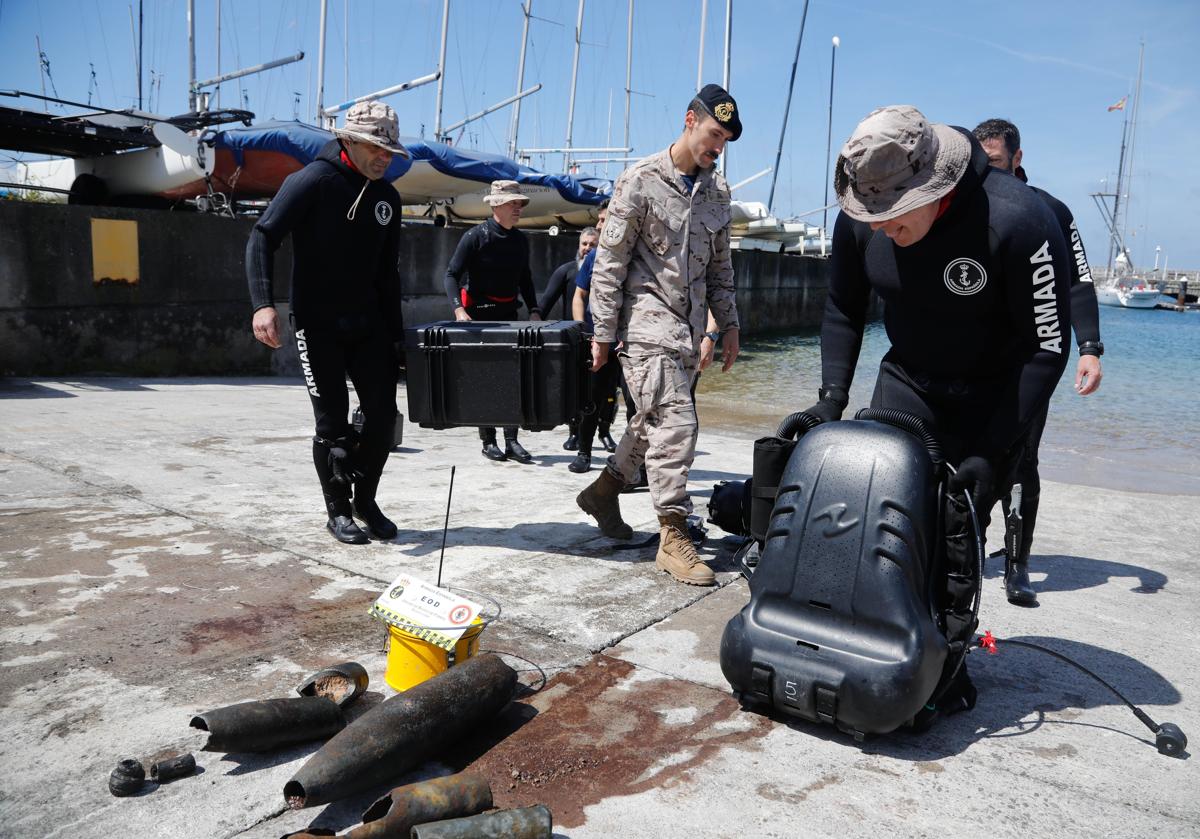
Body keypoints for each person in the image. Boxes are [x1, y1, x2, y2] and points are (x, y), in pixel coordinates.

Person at [809, 105, 1071, 717]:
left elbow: (1047, 348)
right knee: (876, 520)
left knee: (954, 537)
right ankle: (867, 649)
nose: (881, 228)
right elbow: (843, 310)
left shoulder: (1019, 220)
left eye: (896, 218)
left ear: (938, 189)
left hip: (994, 392)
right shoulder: (864, 217)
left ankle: (944, 661)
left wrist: (992, 450)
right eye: (870, 217)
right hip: (908, 379)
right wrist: (830, 401)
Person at [577, 83, 742, 587]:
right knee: (677, 423)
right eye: (714, 134)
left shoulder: (718, 193)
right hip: (644, 323)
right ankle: (673, 533)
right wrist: (602, 332)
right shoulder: (640, 181)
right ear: (689, 120)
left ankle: (605, 491)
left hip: (688, 331)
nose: (718, 147)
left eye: (727, 141)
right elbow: (609, 263)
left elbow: (720, 269)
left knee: (651, 421)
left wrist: (729, 324)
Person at [245, 100, 407, 545]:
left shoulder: (387, 199)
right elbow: (263, 236)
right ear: (348, 140)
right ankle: (337, 511)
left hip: (369, 324)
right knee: (332, 424)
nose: (384, 157)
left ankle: (365, 500)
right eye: (376, 148)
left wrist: (397, 339)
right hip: (317, 326)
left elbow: (387, 277)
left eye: (389, 151)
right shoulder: (313, 181)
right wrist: (263, 304)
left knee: (382, 418)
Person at [973, 117, 1104, 606]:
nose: (992, 173)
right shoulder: (968, 206)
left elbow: (1078, 282)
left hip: (1031, 361)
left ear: (1019, 158)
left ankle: (1017, 564)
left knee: (1020, 459)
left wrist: (1089, 347)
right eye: (984, 165)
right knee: (964, 457)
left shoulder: (1050, 211)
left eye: (1000, 163)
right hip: (972, 362)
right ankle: (965, 549)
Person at [443, 180, 543, 463]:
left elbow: (525, 278)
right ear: (496, 204)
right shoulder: (476, 236)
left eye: (520, 204)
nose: (518, 209)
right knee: (484, 379)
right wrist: (458, 310)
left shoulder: (520, 240)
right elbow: (451, 275)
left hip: (509, 315)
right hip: (479, 317)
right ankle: (488, 440)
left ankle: (512, 440)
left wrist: (534, 309)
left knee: (513, 378)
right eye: (514, 203)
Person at [539, 220, 600, 452]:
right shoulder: (566, 271)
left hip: (600, 337)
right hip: (574, 339)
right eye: (584, 243)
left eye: (592, 244)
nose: (587, 248)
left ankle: (604, 433)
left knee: (603, 391)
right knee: (576, 389)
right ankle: (575, 433)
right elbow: (545, 304)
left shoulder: (607, 271)